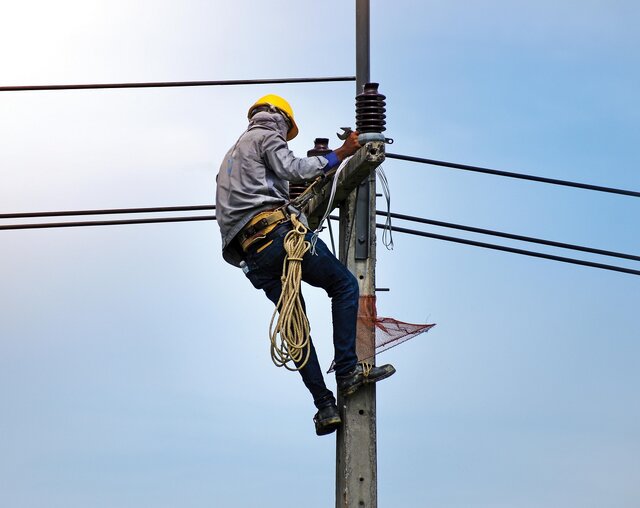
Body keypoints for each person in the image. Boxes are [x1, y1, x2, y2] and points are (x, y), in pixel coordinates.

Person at [215, 94, 395, 436]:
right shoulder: (266, 135)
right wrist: (340, 155)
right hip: (280, 238)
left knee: (296, 327)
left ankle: (325, 406)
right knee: (344, 285)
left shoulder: (229, 159)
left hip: (253, 258)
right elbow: (292, 168)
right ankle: (347, 371)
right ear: (279, 118)